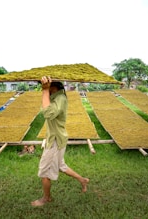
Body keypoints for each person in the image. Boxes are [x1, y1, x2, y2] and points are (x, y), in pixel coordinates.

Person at [31, 76, 89, 207]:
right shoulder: (57, 97)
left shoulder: (60, 98)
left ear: (53, 86)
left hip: (56, 140)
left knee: (44, 172)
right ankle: (83, 180)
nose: (43, 88)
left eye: (46, 86)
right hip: (56, 138)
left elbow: (48, 114)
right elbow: (47, 108)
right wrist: (46, 91)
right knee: (61, 166)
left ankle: (46, 198)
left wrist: (45, 90)